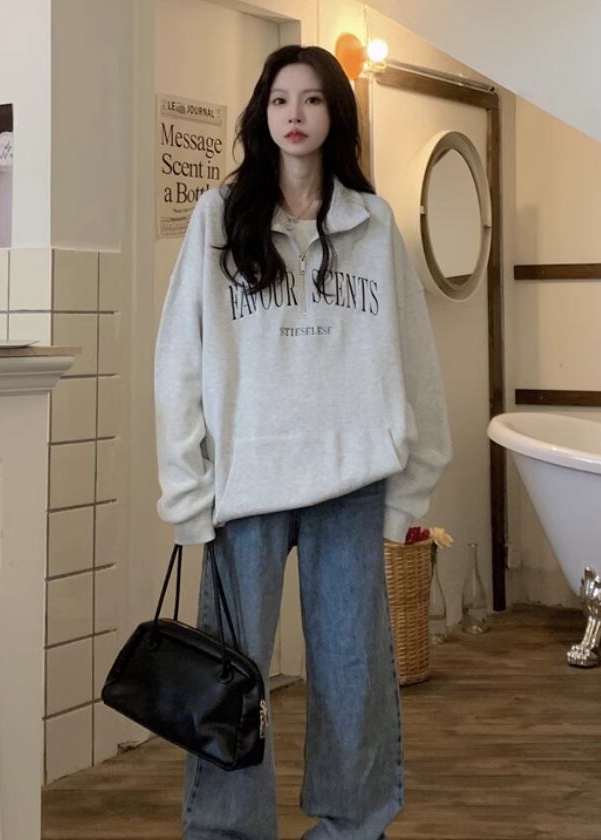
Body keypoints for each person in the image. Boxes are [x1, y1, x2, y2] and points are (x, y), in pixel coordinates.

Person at [154, 44, 452, 840]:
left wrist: (409, 492)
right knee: (230, 676)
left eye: (313, 99)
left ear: (334, 115)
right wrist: (186, 491)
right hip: (245, 483)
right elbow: (179, 358)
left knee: (354, 672)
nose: (295, 114)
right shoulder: (218, 217)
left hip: (349, 482)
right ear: (262, 112)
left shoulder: (373, 224)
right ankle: (227, 831)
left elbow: (415, 362)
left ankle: (352, 827)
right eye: (281, 99)